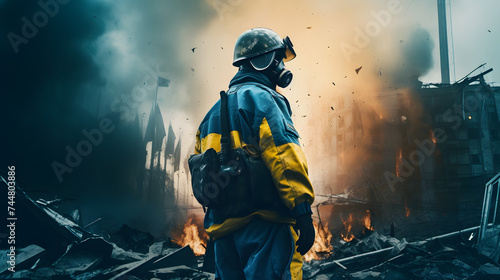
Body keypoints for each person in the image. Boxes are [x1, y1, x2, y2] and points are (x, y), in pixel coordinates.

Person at [194, 27, 315, 280]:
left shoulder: (212, 113)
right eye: (278, 59)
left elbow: (203, 170)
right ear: (265, 62)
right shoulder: (265, 99)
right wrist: (302, 210)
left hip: (223, 233)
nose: (281, 66)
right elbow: (283, 156)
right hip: (265, 225)